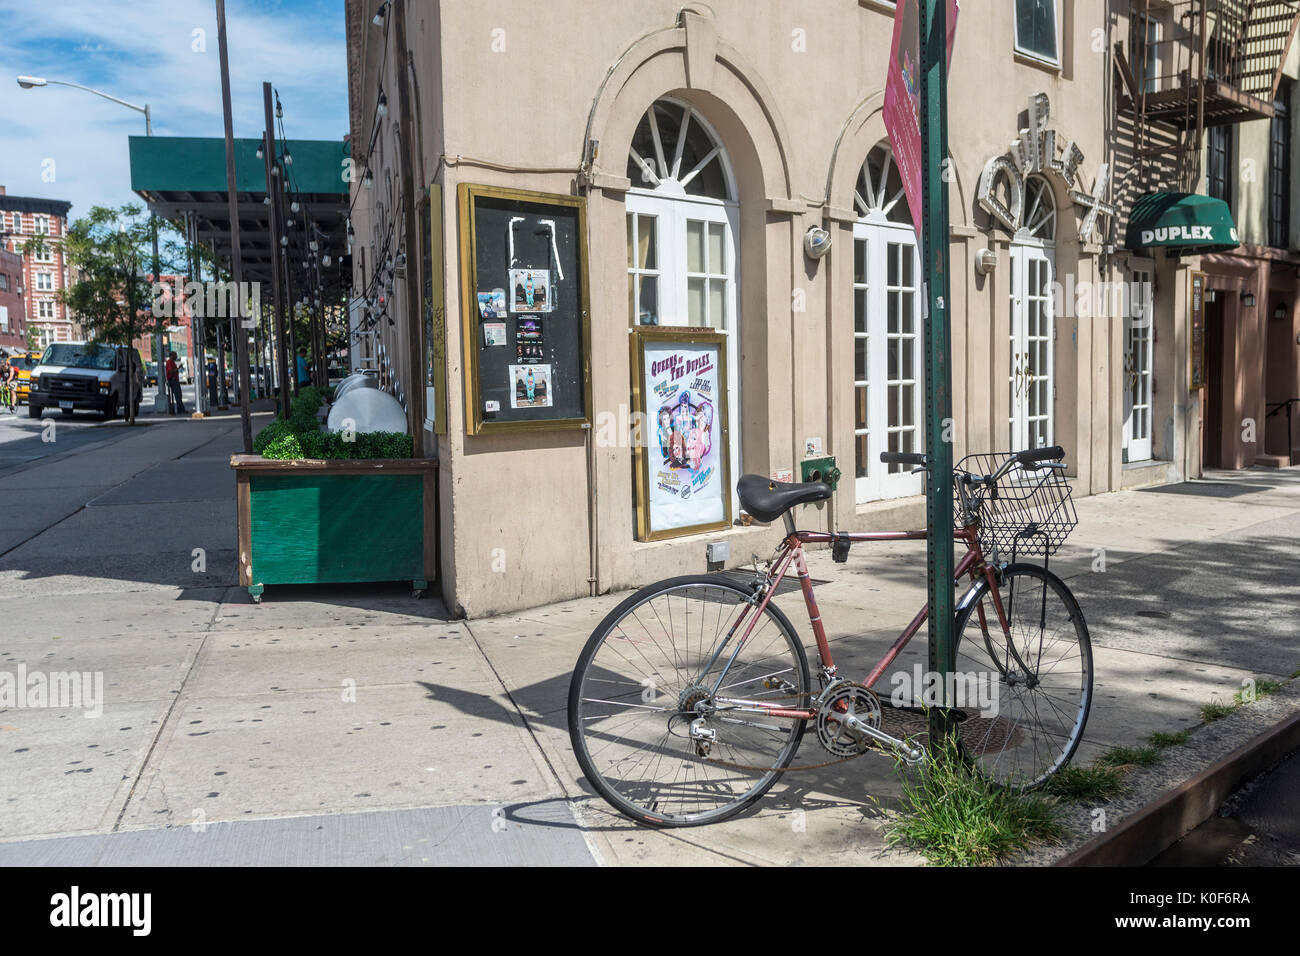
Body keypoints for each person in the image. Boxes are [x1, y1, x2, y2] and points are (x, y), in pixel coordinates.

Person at [165, 351, 186, 415]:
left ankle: (181, 409)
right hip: (172, 380)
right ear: (172, 356)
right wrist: (178, 368)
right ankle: (181, 410)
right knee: (177, 395)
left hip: (175, 380)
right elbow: (170, 371)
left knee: (179, 395)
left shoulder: (172, 362)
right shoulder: (169, 362)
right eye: (175, 355)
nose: (176, 356)